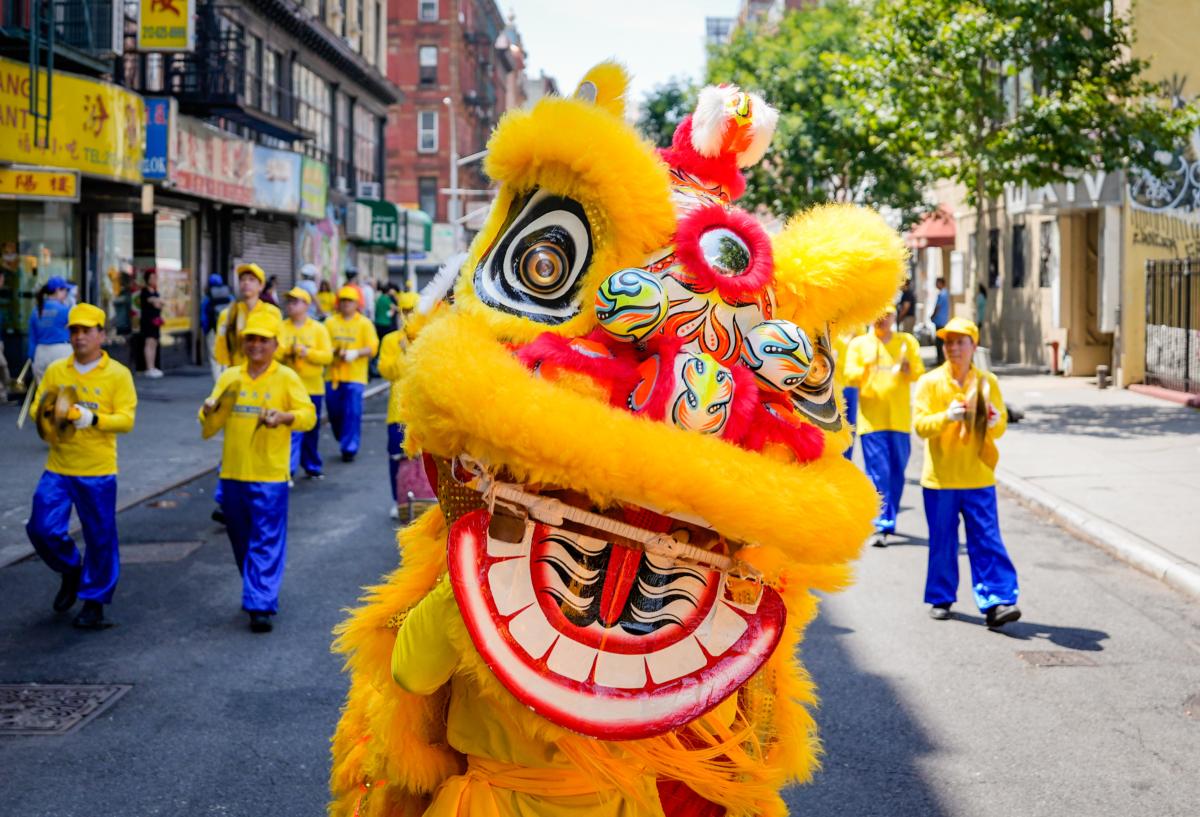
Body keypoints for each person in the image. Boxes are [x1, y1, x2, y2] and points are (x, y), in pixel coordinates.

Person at [200, 311, 316, 633]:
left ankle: (261, 603)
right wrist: (208, 410)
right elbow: (209, 426)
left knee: (265, 539)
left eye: (263, 339)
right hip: (233, 475)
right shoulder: (231, 377)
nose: (256, 345)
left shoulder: (286, 378)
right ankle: (255, 586)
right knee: (240, 539)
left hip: (269, 476)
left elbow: (308, 415)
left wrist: (284, 417)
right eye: (251, 338)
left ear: (275, 344)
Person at [26, 303, 137, 630]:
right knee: (41, 528)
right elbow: (37, 408)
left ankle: (94, 603)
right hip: (59, 467)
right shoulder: (58, 371)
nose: (79, 337)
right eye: (74, 330)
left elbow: (127, 420)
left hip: (98, 470)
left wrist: (92, 418)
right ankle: (71, 570)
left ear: (101, 334)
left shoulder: (118, 374)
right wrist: (50, 415)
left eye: (86, 330)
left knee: (100, 538)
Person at [913, 316, 1021, 628]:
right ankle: (941, 597)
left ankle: (998, 601)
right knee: (943, 541)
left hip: (978, 476)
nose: (953, 348)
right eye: (948, 342)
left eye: (960, 342)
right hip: (941, 479)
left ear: (973, 346)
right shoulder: (930, 382)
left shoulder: (988, 382)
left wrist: (993, 419)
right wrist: (946, 416)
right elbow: (921, 426)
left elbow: (998, 428)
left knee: (986, 540)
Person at [843, 305, 924, 547]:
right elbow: (849, 375)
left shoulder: (906, 342)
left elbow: (919, 372)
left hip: (899, 421)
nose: (882, 319)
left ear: (894, 316)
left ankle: (890, 515)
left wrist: (911, 369)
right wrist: (866, 366)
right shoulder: (859, 345)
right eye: (878, 314)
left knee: (898, 473)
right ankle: (882, 522)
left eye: (887, 315)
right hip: (872, 422)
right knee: (880, 473)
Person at [377, 317, 434, 521]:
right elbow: (387, 371)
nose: (408, 316)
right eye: (405, 311)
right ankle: (398, 500)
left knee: (428, 459)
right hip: (397, 414)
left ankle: (427, 499)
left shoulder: (430, 337)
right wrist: (405, 352)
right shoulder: (391, 340)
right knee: (397, 458)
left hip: (424, 414)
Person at [277, 287, 333, 480]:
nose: (290, 306)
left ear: (306, 305)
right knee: (289, 428)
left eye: (295, 302)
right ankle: (287, 469)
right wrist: (288, 352)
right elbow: (274, 353)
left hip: (312, 386)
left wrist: (307, 353)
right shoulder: (282, 327)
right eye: (289, 302)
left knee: (311, 428)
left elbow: (327, 356)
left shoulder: (318, 329)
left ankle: (311, 464)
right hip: (286, 388)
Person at [324, 287, 379, 463]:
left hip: (355, 377)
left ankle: (349, 448)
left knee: (352, 413)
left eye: (350, 301)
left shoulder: (364, 324)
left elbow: (373, 347)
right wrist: (334, 352)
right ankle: (343, 438)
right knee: (334, 413)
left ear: (357, 304)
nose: (346, 304)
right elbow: (322, 344)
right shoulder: (330, 323)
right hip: (332, 376)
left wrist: (355, 353)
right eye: (343, 301)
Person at [213, 263, 283, 371]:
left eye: (251, 279)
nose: (246, 283)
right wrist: (225, 375)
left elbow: (279, 345)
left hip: (265, 374)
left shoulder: (271, 312)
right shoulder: (228, 314)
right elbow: (221, 346)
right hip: (237, 373)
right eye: (242, 279)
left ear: (261, 286)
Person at [27, 277, 72, 381]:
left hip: (40, 353)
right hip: (62, 352)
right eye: (65, 290)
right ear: (57, 290)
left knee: (43, 394)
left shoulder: (36, 310)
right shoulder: (66, 310)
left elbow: (32, 338)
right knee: (64, 393)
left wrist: (32, 357)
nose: (66, 293)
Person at [201, 273, 233, 382]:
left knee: (214, 358)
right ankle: (226, 379)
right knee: (226, 356)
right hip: (226, 329)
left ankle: (218, 382)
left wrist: (205, 330)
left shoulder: (208, 296)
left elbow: (203, 315)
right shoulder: (228, 295)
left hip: (212, 330)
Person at [139, 269, 165, 378]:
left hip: (156, 321)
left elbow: (160, 304)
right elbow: (154, 302)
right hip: (148, 321)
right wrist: (156, 301)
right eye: (152, 278)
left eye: (155, 278)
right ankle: (149, 367)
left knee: (154, 343)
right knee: (149, 343)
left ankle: (153, 366)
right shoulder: (144, 291)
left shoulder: (156, 291)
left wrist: (157, 301)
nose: (154, 280)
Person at [930, 276, 950, 365]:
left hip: (939, 321)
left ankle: (940, 360)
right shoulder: (945, 293)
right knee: (941, 341)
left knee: (939, 342)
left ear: (941, 283)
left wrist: (932, 316)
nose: (936, 285)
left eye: (937, 283)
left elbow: (937, 307)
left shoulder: (942, 294)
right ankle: (941, 359)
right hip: (943, 320)